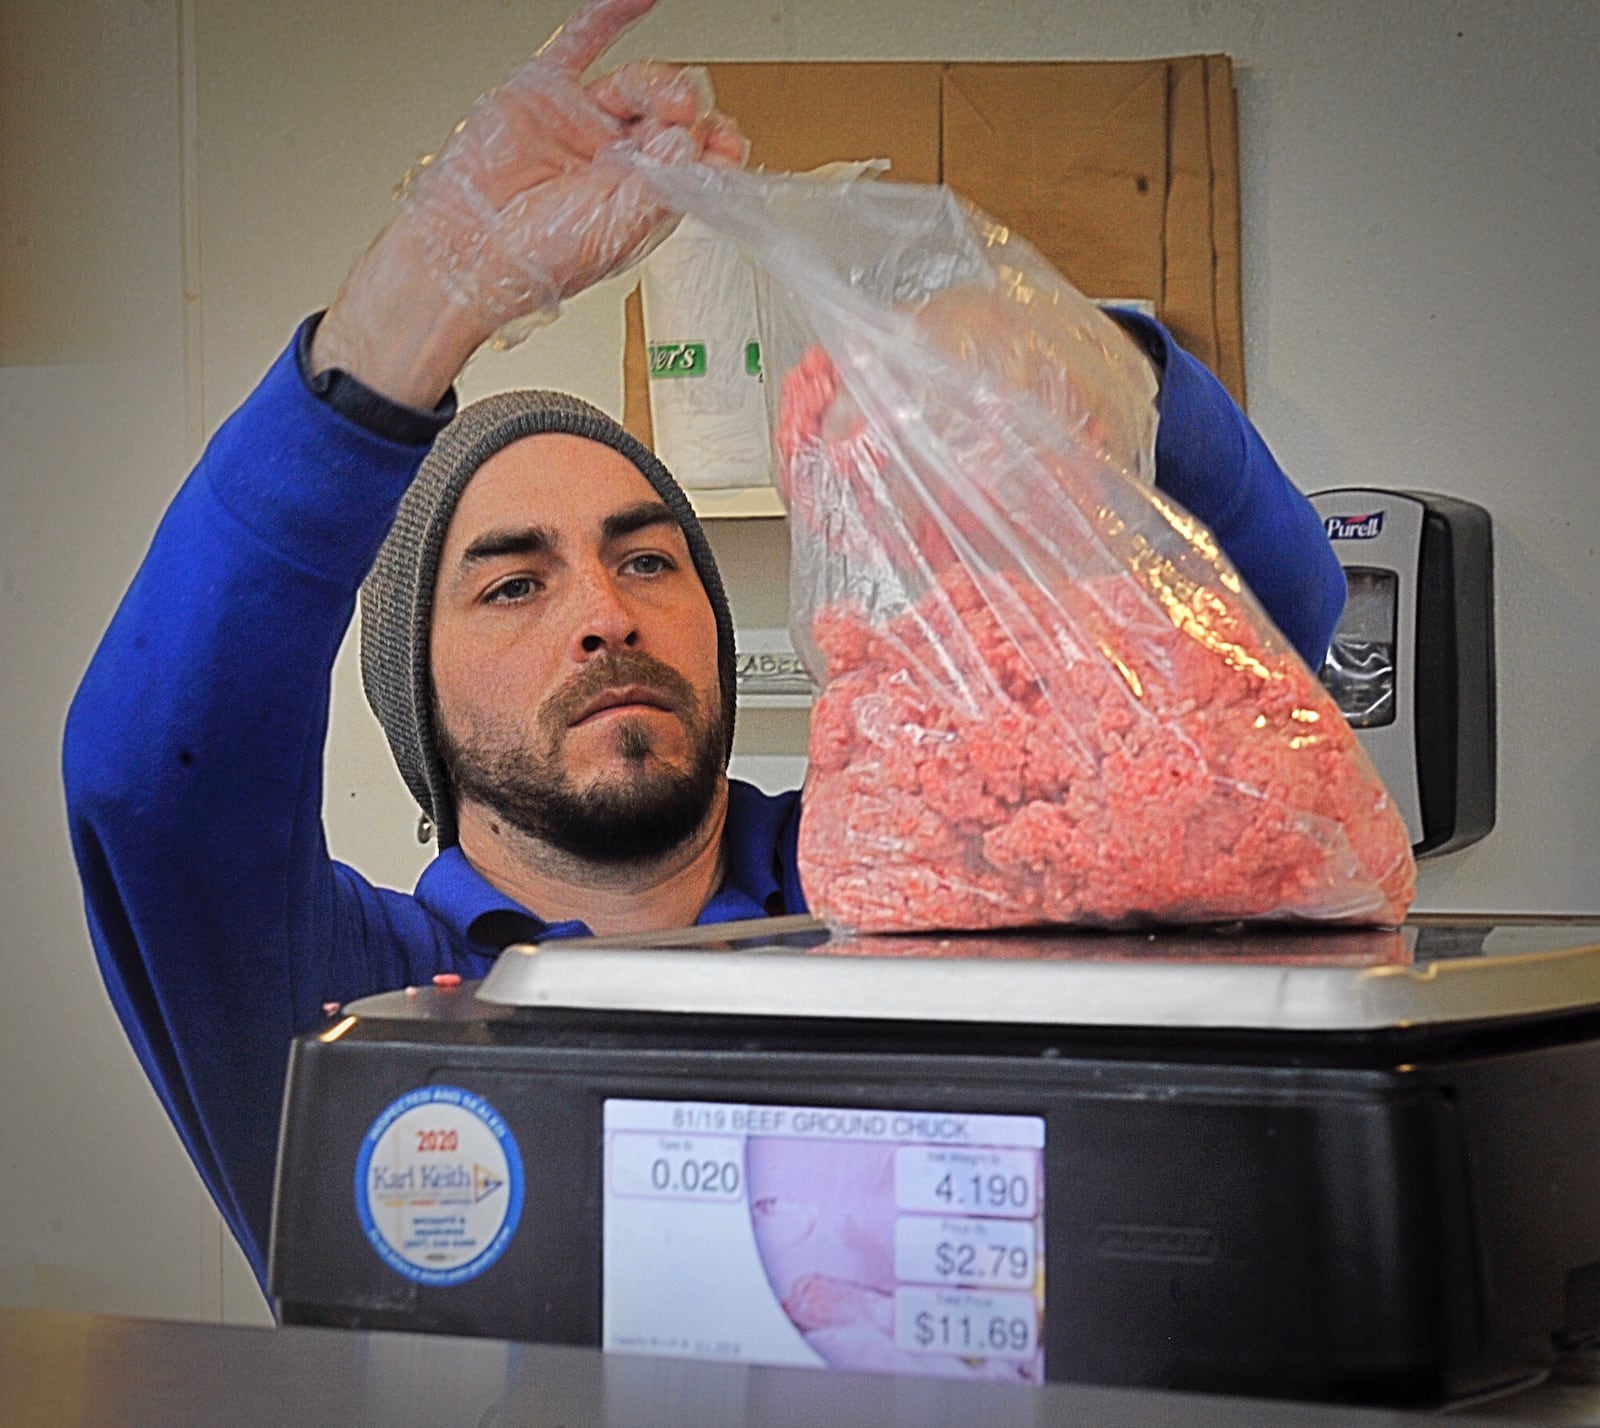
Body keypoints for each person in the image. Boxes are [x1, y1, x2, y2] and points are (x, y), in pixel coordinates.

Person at [62, 0, 1346, 1292]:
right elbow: (153, 786)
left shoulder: (917, 886)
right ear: (417, 699)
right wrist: (400, 319)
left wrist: (1106, 368)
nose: (603, 612)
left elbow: (1268, 659)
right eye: (513, 587)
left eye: (646, 559)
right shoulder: (347, 1000)